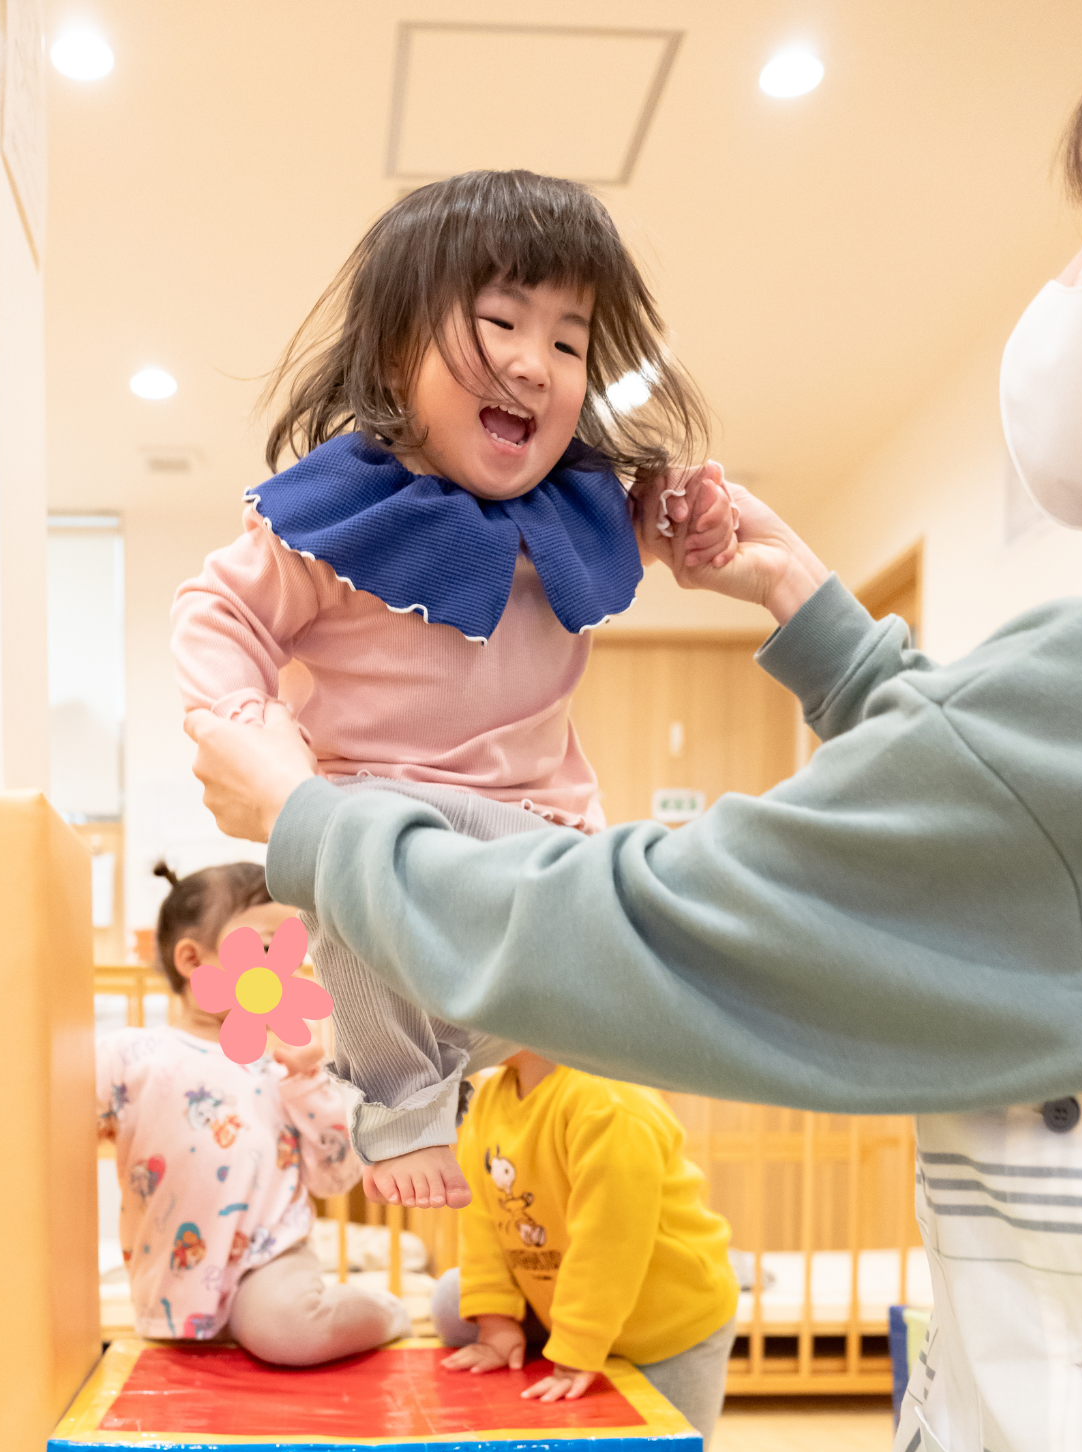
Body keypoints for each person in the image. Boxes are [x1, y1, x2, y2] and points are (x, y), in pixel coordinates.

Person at [181, 21, 1082, 1452]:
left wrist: (305, 815)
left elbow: (647, 928)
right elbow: (993, 810)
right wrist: (804, 606)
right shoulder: (1081, 709)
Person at [171, 168, 737, 1214]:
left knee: (634, 900)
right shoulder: (342, 515)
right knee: (350, 864)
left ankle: (522, 1034)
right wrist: (252, 733)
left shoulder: (575, 509)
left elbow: (651, 530)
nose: (533, 363)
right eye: (500, 323)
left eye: (567, 342)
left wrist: (682, 526)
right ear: (397, 349)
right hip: (384, 824)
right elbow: (218, 611)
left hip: (539, 830)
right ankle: (397, 1103)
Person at [432, 1046, 738, 1452]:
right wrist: (496, 1323)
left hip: (667, 1326)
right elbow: (483, 1218)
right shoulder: (492, 1098)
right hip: (568, 1298)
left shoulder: (608, 1100)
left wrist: (575, 1351)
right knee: (451, 1298)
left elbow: (611, 1242)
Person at [97, 859, 409, 1361]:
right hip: (174, 1265)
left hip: (269, 1255)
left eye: (291, 955)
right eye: (266, 949)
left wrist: (309, 1083)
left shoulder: (284, 1065)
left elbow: (335, 1176)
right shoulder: (129, 1056)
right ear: (192, 960)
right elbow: (58, 1123)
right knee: (178, 1345)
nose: (284, 969)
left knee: (287, 1331)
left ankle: (384, 1311)